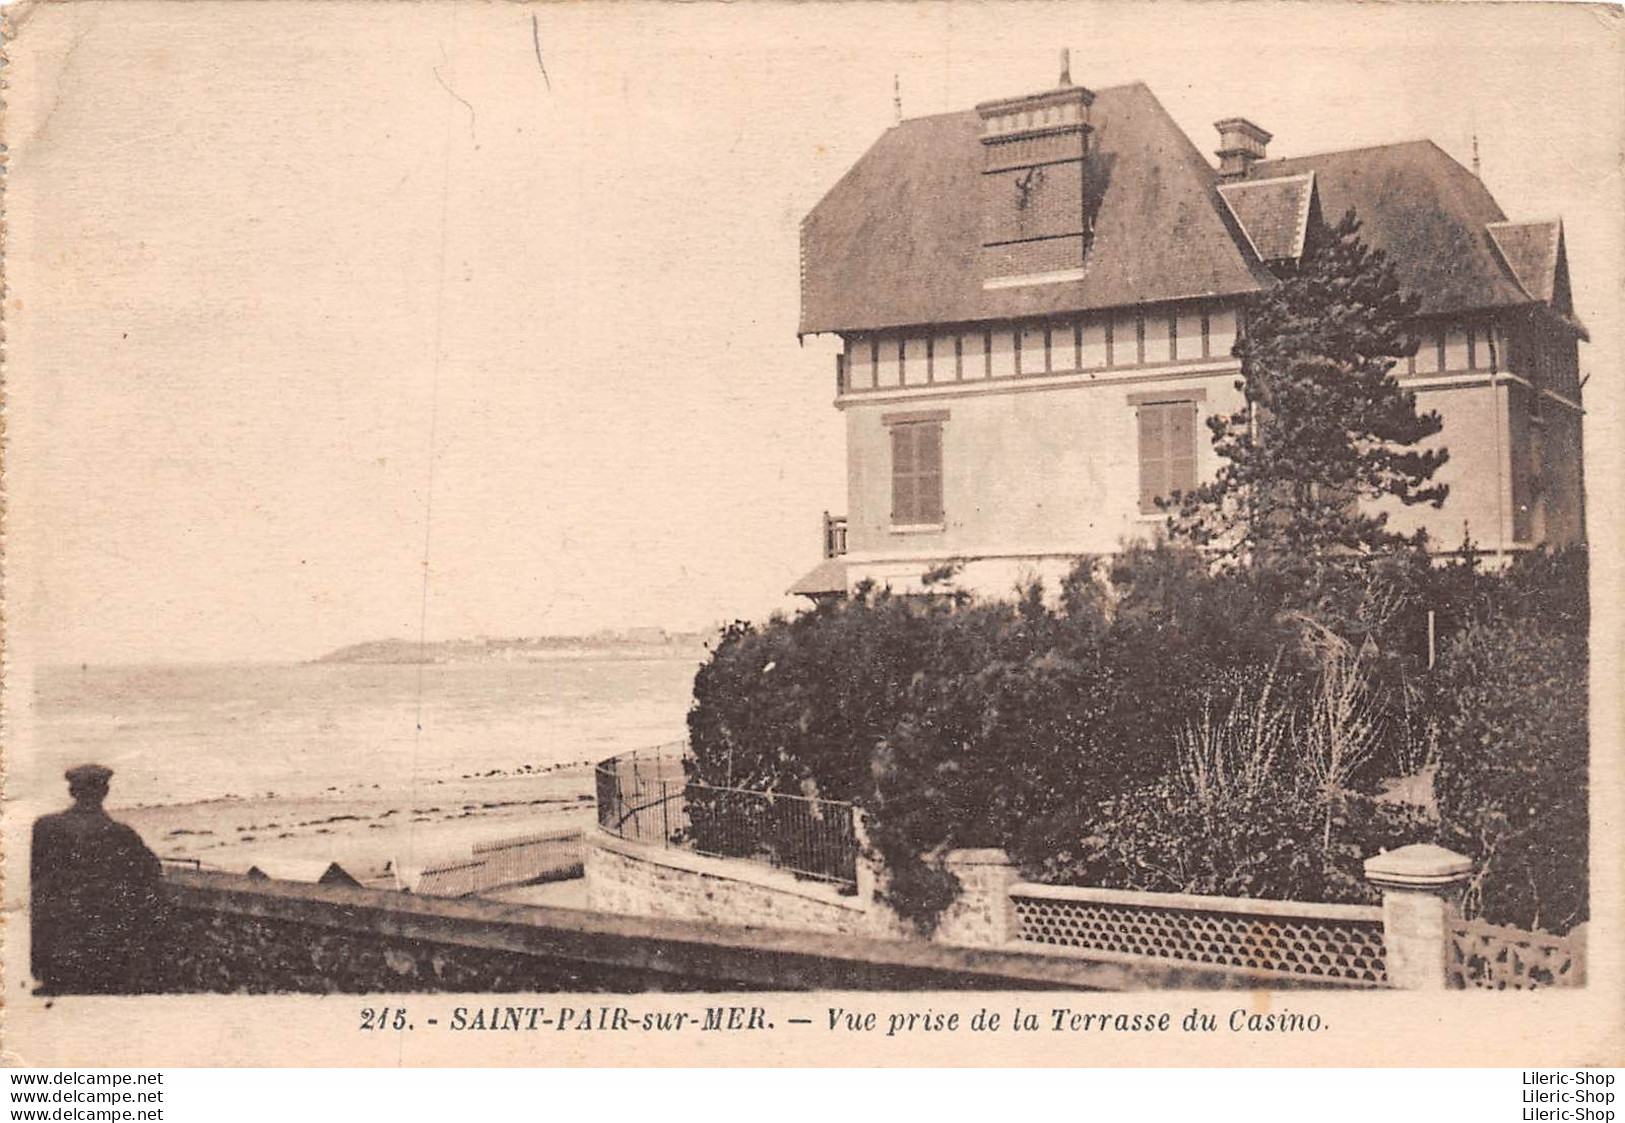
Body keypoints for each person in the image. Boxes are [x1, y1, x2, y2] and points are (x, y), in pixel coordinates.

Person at [31, 764, 165, 994]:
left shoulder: (45, 827)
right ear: (105, 791)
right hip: (104, 946)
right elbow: (152, 874)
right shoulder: (121, 834)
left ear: (72, 791)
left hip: (55, 945)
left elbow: (34, 879)